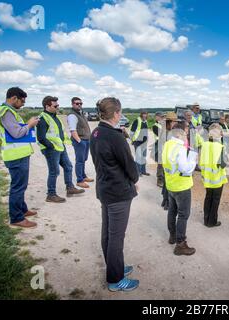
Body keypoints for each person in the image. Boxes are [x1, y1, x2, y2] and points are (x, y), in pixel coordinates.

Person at [90, 97, 140, 292]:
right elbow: (129, 164)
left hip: (105, 188)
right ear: (117, 113)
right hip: (118, 192)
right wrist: (135, 181)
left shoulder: (96, 132)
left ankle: (115, 266)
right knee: (116, 237)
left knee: (108, 233)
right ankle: (115, 279)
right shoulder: (114, 136)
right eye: (120, 112)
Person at [0, 87, 39, 228]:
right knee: (18, 187)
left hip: (19, 155)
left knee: (21, 185)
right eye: (22, 101)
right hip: (15, 156)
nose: (23, 104)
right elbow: (16, 133)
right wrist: (30, 124)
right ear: (14, 98)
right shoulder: (6, 112)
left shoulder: (9, 111)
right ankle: (16, 218)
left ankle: (22, 210)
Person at [37, 96, 85, 203]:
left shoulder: (55, 116)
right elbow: (41, 137)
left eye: (58, 105)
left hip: (60, 147)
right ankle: (51, 194)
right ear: (47, 106)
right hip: (51, 149)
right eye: (55, 106)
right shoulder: (43, 118)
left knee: (68, 166)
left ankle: (70, 188)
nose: (58, 107)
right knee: (54, 171)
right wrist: (51, 146)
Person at [162, 121, 198, 256]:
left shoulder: (167, 144)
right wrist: (193, 160)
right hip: (182, 186)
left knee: (172, 211)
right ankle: (180, 244)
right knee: (183, 214)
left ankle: (172, 236)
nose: (187, 134)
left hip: (170, 184)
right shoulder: (180, 148)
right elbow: (185, 169)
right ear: (181, 133)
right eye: (186, 131)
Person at [200, 123, 228, 228]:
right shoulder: (220, 147)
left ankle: (206, 219)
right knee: (215, 200)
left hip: (207, 178)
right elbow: (223, 164)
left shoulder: (204, 145)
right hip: (217, 179)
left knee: (208, 198)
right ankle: (212, 221)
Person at [67, 97, 94, 189]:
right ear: (72, 104)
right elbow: (72, 130)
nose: (79, 105)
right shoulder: (72, 115)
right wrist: (79, 141)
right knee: (79, 160)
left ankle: (83, 176)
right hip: (80, 140)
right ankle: (79, 180)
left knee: (84, 159)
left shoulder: (81, 113)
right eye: (77, 103)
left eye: (80, 103)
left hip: (86, 140)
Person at [160, 112, 180, 211]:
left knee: (166, 180)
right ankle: (167, 202)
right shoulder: (168, 132)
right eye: (175, 121)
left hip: (165, 159)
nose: (176, 123)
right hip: (169, 159)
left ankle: (164, 200)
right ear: (171, 121)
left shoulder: (165, 130)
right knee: (168, 181)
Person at [130, 111, 149, 176]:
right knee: (138, 157)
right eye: (143, 114)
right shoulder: (137, 121)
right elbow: (132, 132)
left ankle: (143, 171)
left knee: (143, 157)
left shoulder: (146, 121)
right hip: (137, 142)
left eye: (146, 114)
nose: (145, 116)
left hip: (144, 143)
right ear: (141, 115)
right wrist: (133, 140)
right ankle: (138, 172)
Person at [152, 112, 165, 187]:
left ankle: (163, 179)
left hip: (164, 145)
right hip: (159, 145)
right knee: (160, 164)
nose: (162, 118)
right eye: (161, 117)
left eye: (163, 117)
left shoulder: (163, 125)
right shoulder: (155, 126)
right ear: (156, 117)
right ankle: (159, 180)